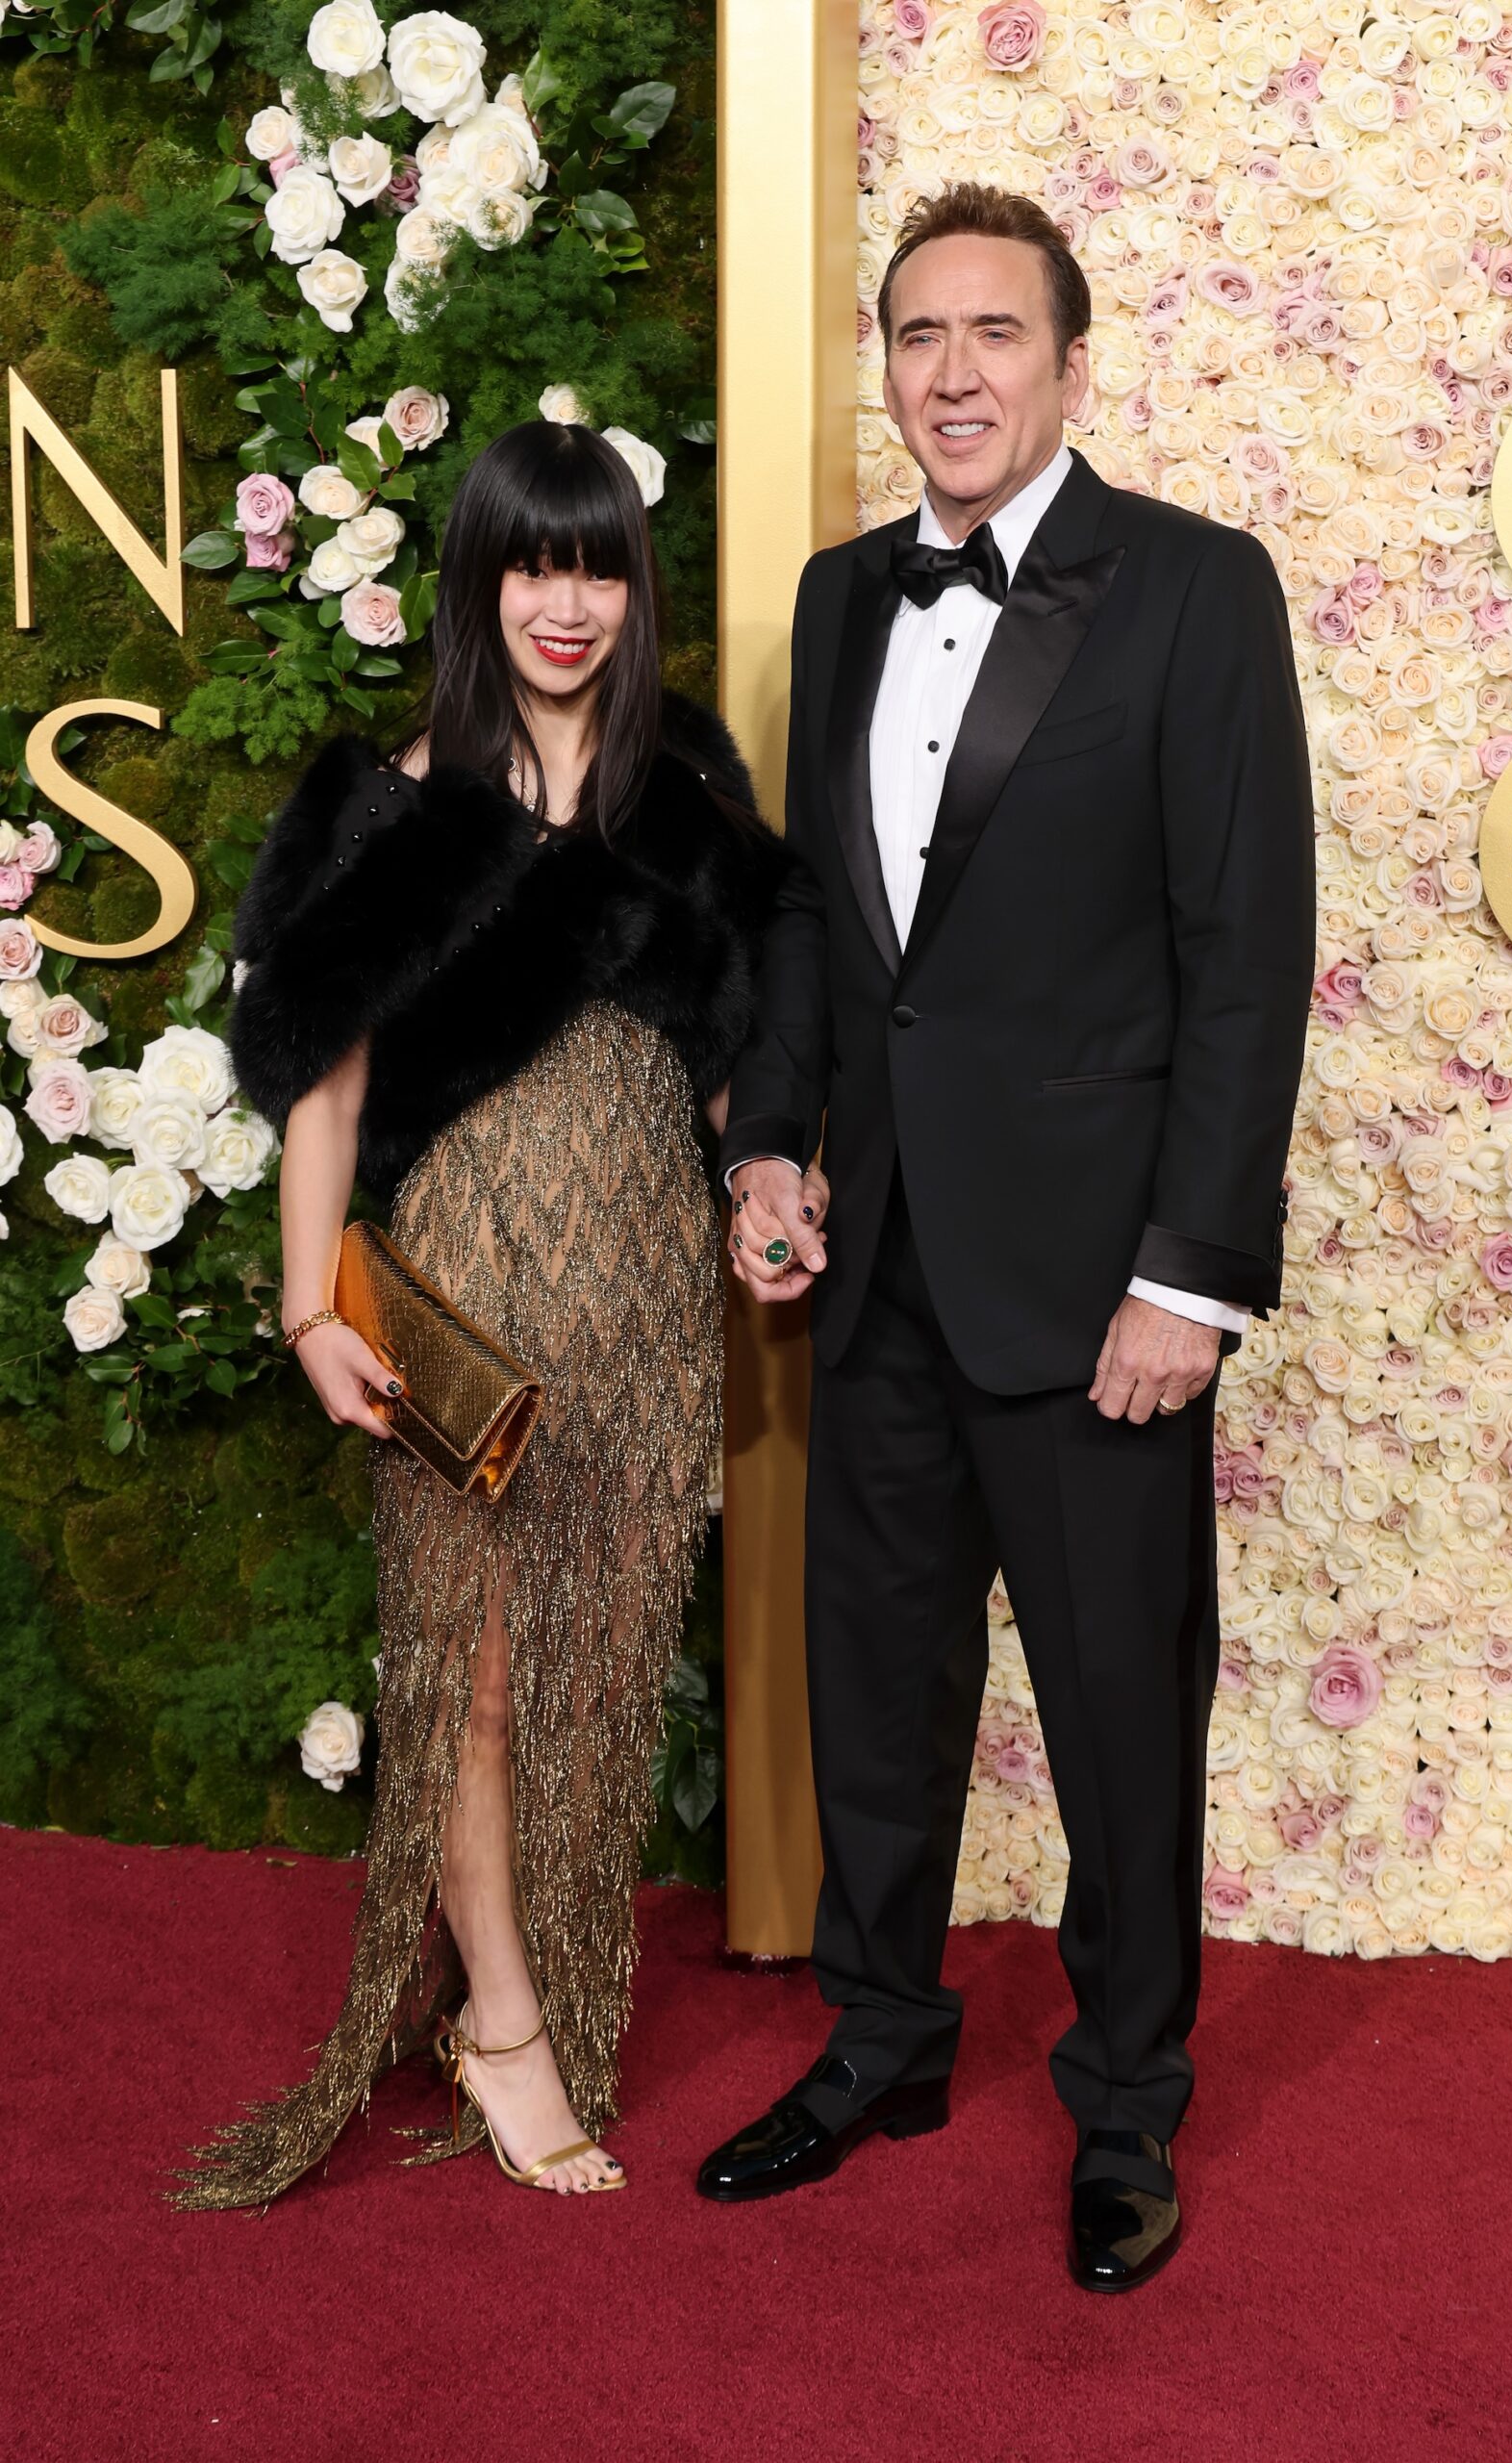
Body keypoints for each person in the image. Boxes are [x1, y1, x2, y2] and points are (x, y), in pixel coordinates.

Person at [698, 184, 1315, 2291]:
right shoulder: (840, 595)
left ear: (1067, 361)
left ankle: (1125, 2099)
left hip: (1091, 1287)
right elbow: (810, 918)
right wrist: (767, 1146)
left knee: (1116, 1714)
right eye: (914, 336)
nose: (948, 373)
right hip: (866, 1256)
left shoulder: (1193, 590)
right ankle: (882, 2034)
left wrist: (1189, 1270)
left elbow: (1245, 955)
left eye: (990, 334)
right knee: (875, 1692)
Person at [175, 420, 794, 2208]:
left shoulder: (680, 789)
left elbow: (735, 1055)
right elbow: (328, 1094)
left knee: (602, 1661)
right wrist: (311, 1310)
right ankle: (502, 2020)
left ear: (632, 585)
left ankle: (528, 1980)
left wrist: (764, 1187)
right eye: (534, 564)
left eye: (597, 565)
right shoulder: (390, 803)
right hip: (460, 1285)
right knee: (476, 1672)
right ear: (480, 582)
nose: (568, 602)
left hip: (644, 1298)